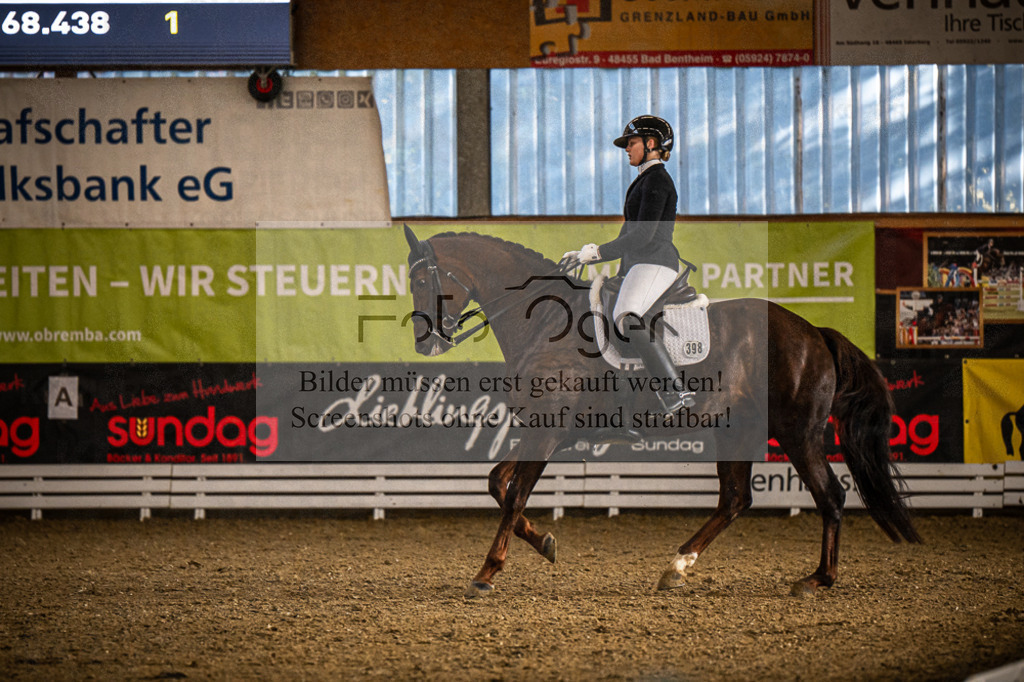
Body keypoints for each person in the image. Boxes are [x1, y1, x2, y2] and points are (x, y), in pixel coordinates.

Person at [562, 115, 695, 414]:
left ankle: (675, 391)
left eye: (632, 143)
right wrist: (585, 254)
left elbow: (643, 236)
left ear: (651, 144)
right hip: (640, 263)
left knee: (626, 315)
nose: (627, 149)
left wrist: (596, 253)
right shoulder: (644, 179)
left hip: (655, 261)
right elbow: (627, 234)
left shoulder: (657, 180)